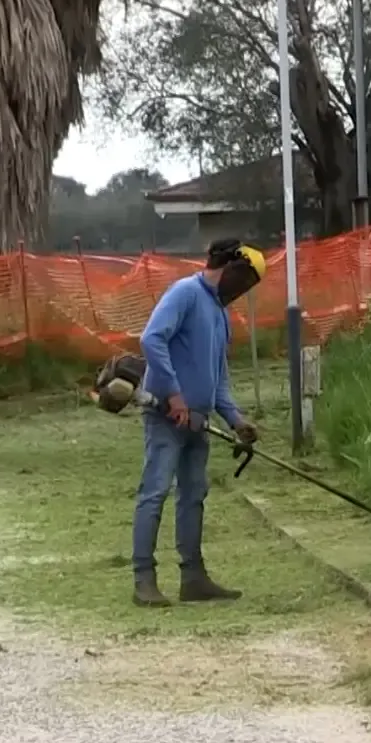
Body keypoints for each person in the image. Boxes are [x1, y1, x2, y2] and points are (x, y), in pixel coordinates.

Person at [131, 240, 262, 608]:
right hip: (166, 417)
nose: (243, 291)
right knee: (154, 492)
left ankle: (194, 578)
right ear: (231, 268)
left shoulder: (220, 314)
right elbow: (151, 339)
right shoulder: (186, 293)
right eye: (245, 281)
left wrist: (236, 421)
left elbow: (217, 380)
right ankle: (144, 579)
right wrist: (174, 395)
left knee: (193, 496)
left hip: (198, 423)